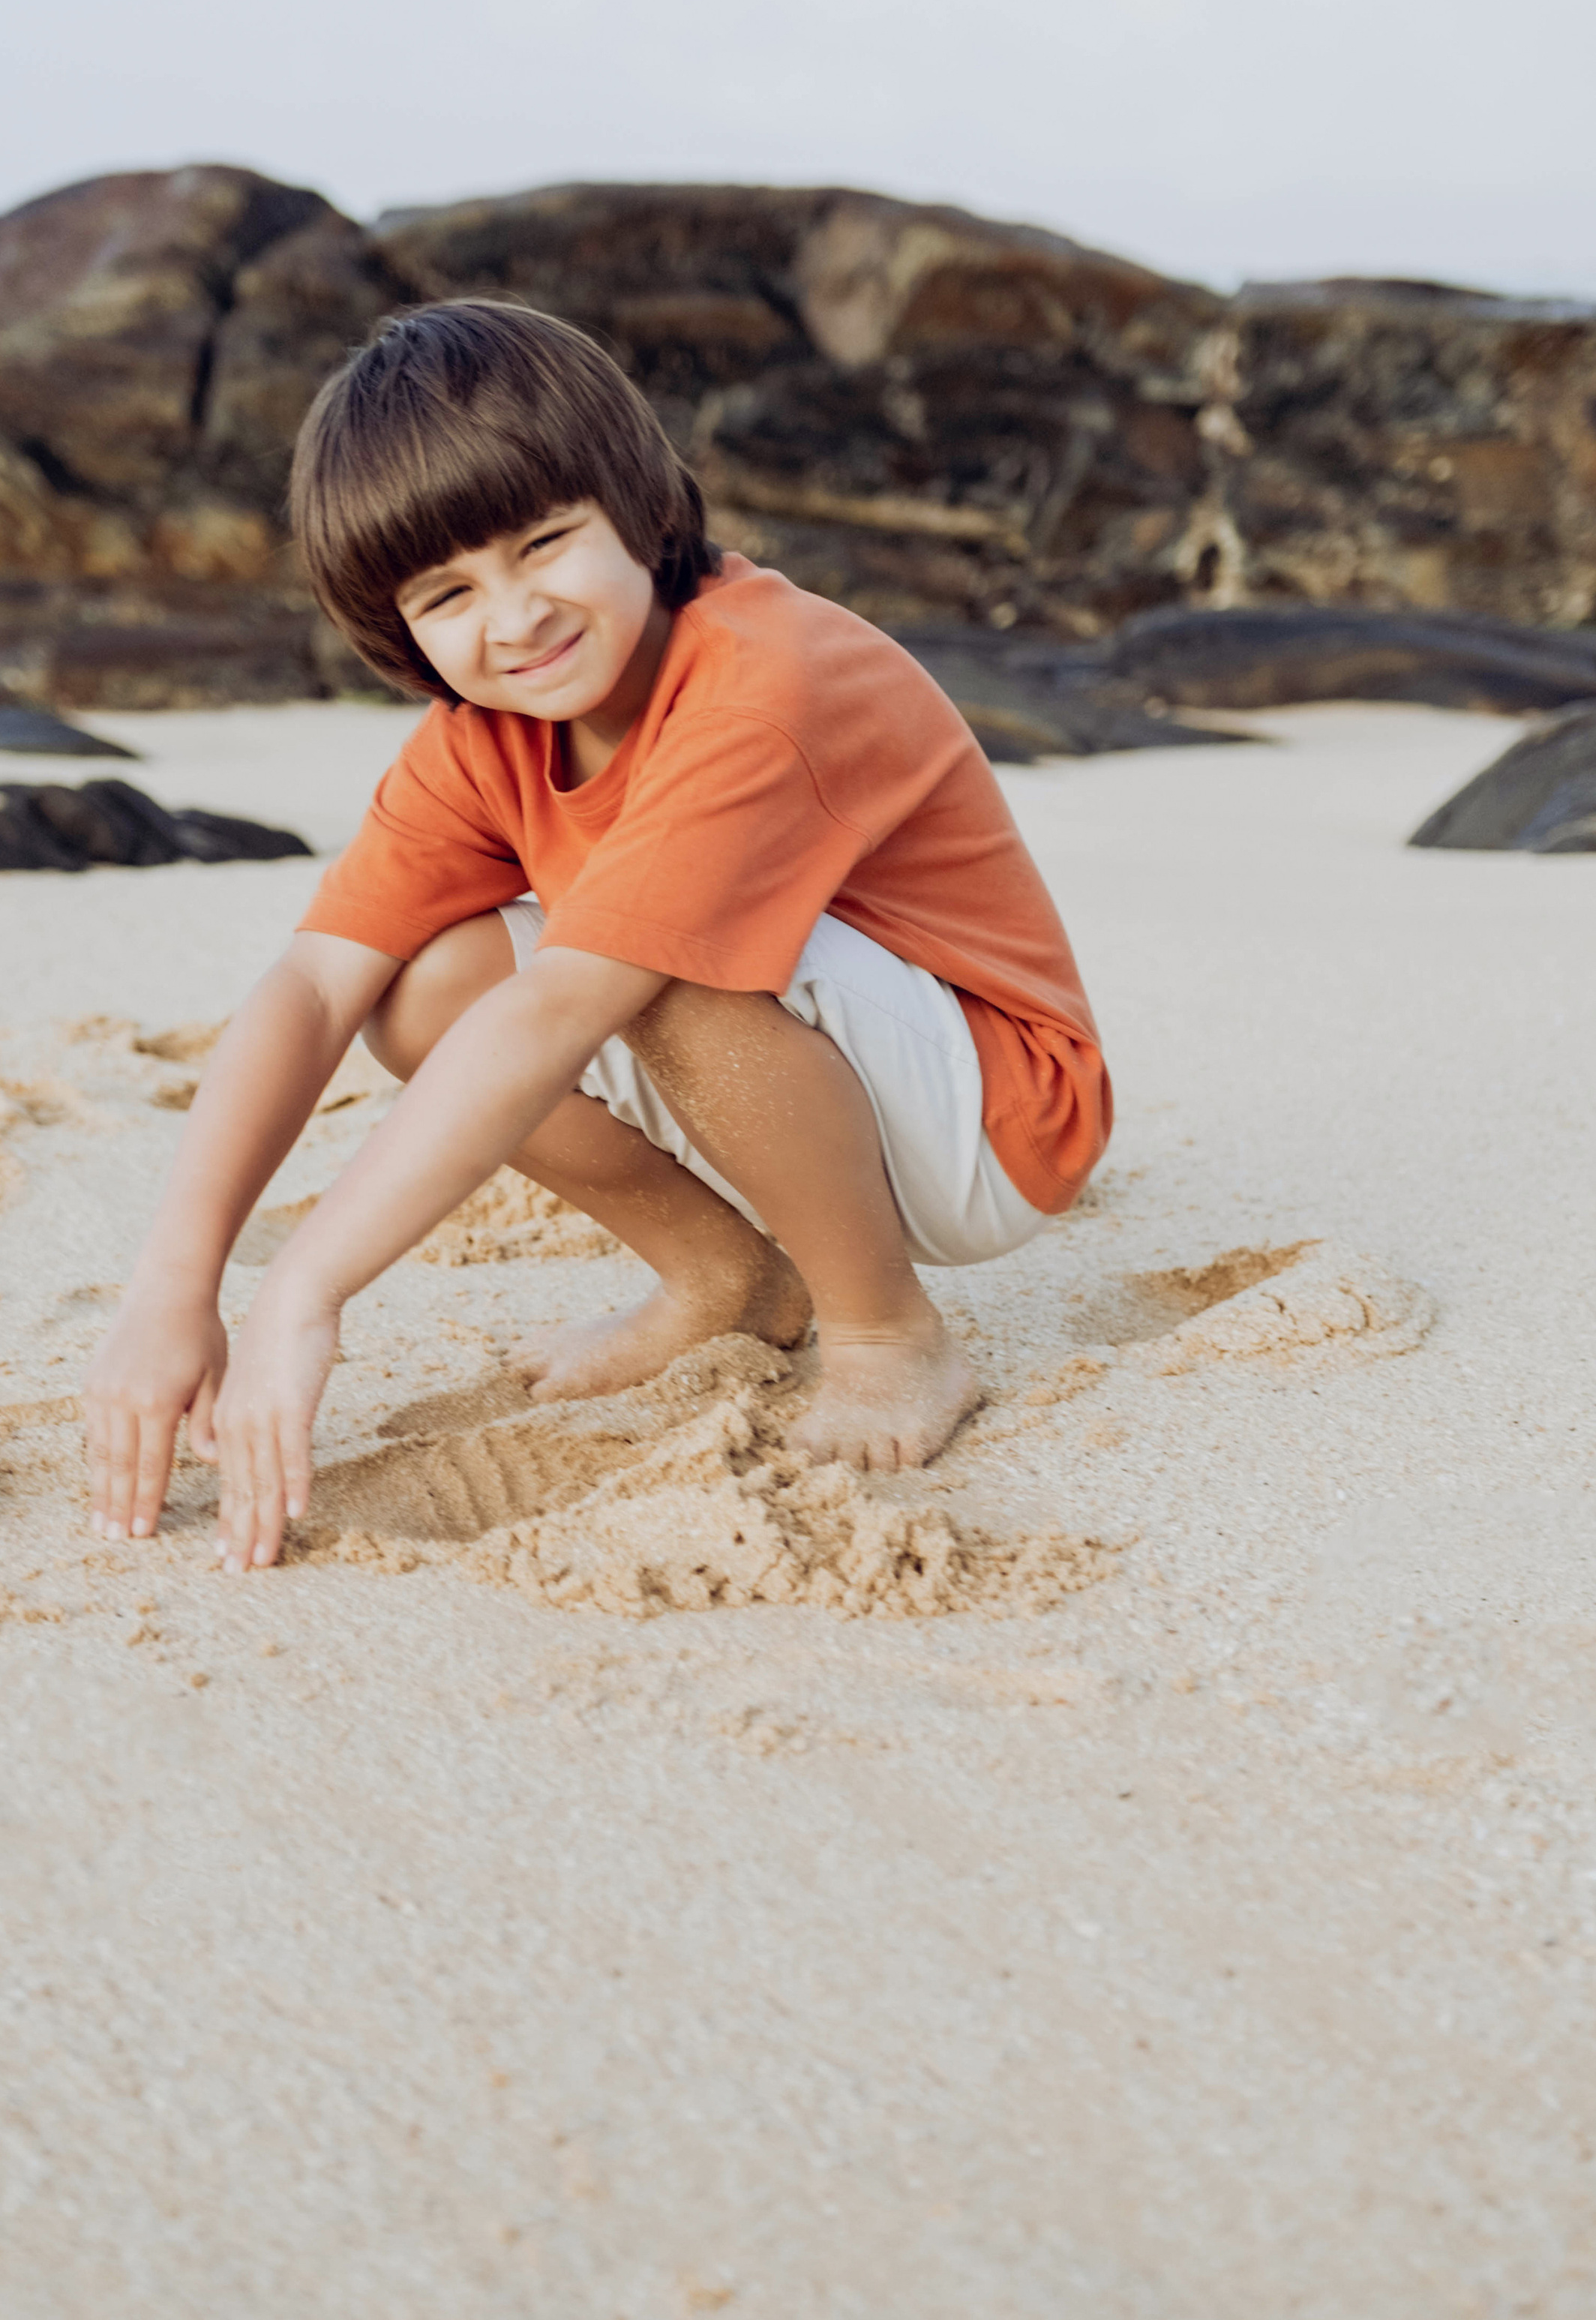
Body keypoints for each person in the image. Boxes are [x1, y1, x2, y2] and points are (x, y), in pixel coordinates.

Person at [85, 301, 1111, 1571]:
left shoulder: (764, 680)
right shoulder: (486, 735)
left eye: (545, 543)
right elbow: (311, 984)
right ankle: (728, 1279)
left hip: (995, 1116)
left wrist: (305, 1290)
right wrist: (176, 1284)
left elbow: (572, 1003)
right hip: (817, 1068)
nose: (513, 619)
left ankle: (888, 1331)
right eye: (449, 593)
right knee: (422, 984)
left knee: (644, 963)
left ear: (638, 508)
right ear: (397, 630)